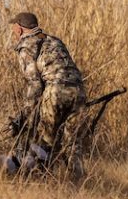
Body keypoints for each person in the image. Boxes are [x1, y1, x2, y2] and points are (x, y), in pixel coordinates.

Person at [6, 12, 87, 178]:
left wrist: (26, 114)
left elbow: (35, 83)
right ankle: (78, 182)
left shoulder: (26, 46)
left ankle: (38, 178)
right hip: (79, 90)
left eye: (14, 27)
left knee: (45, 140)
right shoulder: (54, 40)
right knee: (73, 143)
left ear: (19, 29)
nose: (13, 31)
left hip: (56, 90)